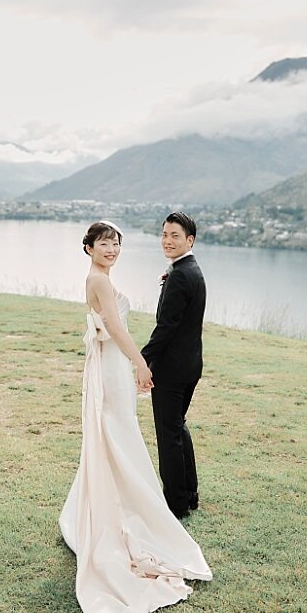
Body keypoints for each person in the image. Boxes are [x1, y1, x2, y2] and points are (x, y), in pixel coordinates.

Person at [58, 221, 210, 613]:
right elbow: (116, 328)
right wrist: (141, 363)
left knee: (116, 436)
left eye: (116, 243)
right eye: (103, 243)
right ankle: (129, 508)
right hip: (112, 368)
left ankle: (124, 501)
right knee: (119, 436)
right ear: (88, 248)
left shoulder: (101, 278)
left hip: (109, 365)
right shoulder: (99, 281)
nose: (111, 249)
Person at [141, 211, 207, 519]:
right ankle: (189, 494)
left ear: (189, 240)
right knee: (178, 428)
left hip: (171, 370)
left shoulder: (181, 275)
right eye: (165, 234)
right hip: (190, 365)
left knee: (168, 436)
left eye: (175, 236)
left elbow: (166, 327)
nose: (167, 240)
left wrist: (142, 359)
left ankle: (176, 504)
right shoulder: (191, 269)